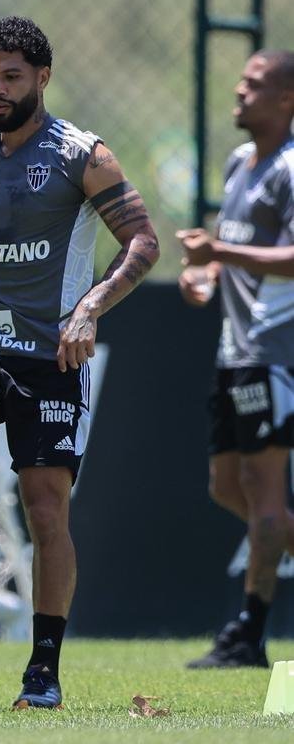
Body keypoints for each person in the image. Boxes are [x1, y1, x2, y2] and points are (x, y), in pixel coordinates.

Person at [0, 16, 159, 707]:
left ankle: (42, 671)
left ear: (42, 77)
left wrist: (89, 309)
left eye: (11, 76)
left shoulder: (83, 154)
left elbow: (141, 241)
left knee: (45, 513)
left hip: (51, 357)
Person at [177, 49, 294, 668]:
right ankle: (249, 627)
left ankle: (248, 634)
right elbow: (232, 254)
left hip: (275, 351)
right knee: (226, 486)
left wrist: (216, 249)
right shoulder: (238, 163)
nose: (239, 90)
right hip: (235, 351)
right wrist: (207, 274)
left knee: (264, 488)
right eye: (241, 80)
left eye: (255, 84)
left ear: (287, 100)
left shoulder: (290, 168)